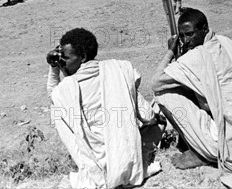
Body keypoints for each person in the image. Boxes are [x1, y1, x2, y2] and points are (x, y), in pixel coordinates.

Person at [152, 8, 232, 188]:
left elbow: (156, 83)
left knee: (163, 95)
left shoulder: (197, 56)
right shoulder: (224, 42)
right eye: (182, 36)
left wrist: (171, 52)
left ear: (204, 29)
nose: (186, 40)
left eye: (190, 34)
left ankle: (200, 152)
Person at [48, 28, 164, 189]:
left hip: (98, 173)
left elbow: (53, 94)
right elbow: (147, 116)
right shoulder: (119, 69)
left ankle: (86, 167)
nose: (63, 62)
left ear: (82, 57)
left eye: (65, 58)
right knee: (149, 111)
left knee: (57, 110)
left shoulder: (66, 88)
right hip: (130, 167)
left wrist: (54, 68)